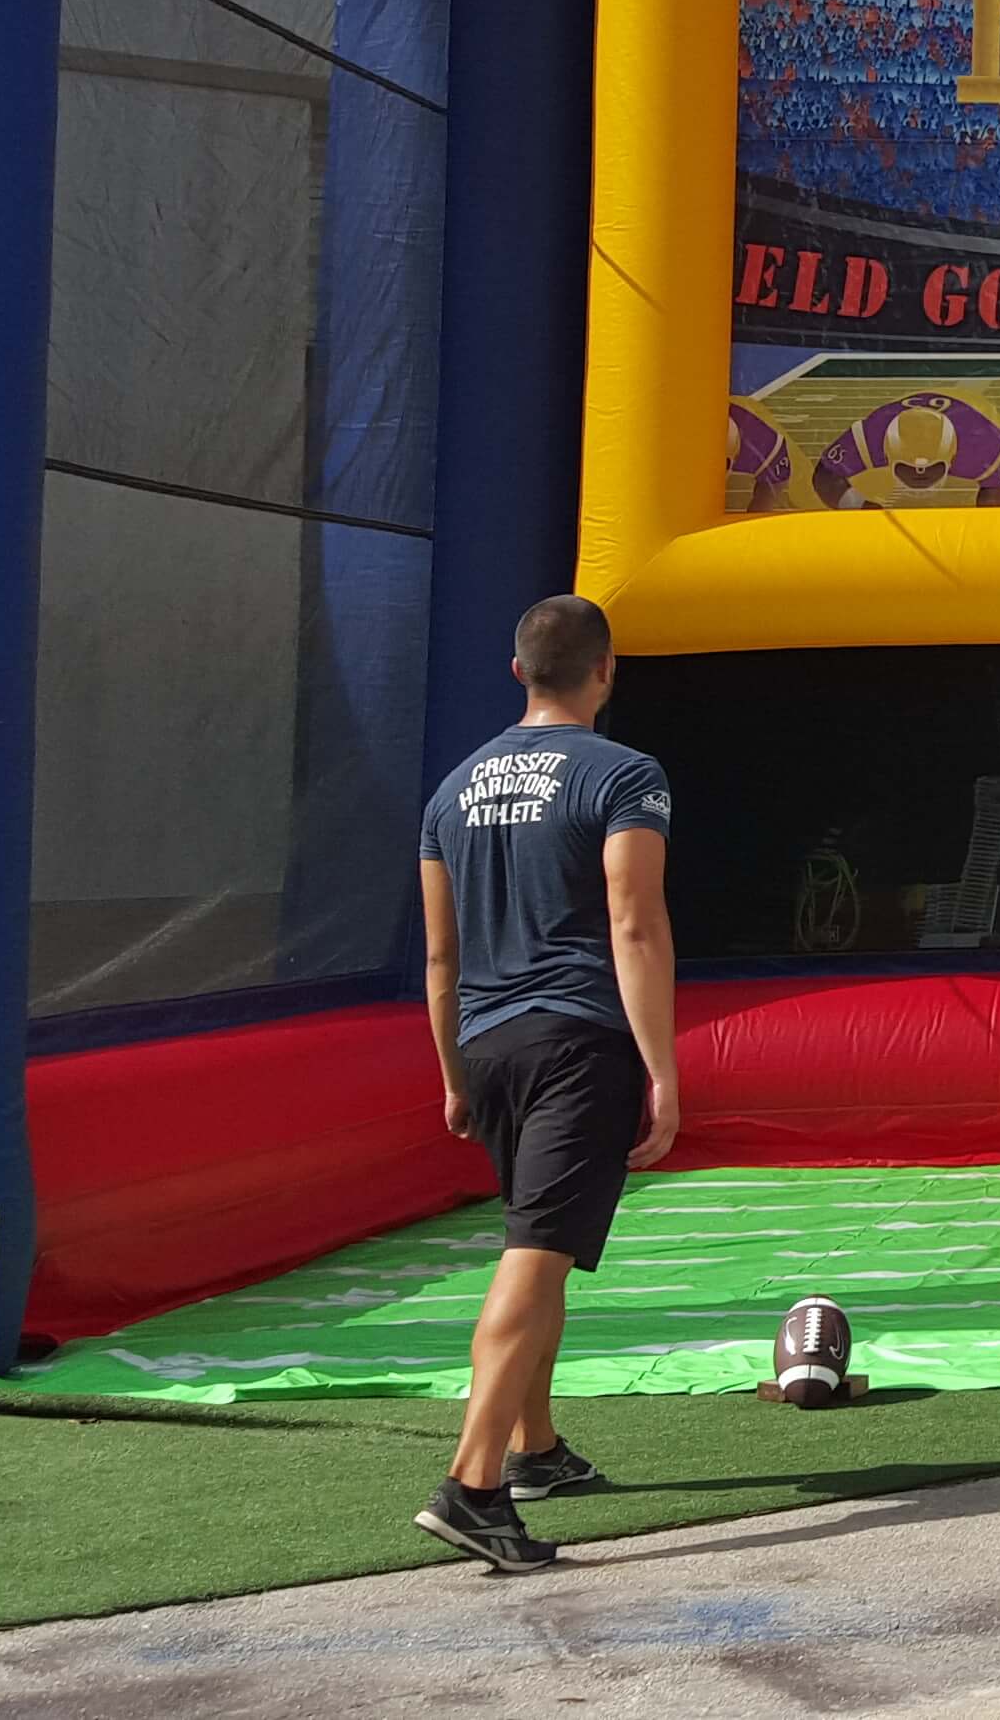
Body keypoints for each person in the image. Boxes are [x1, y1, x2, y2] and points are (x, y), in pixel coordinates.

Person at [410, 594, 681, 1574]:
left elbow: (440, 957)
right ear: (603, 673)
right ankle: (471, 1484)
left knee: (542, 1245)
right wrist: (661, 1067)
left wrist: (451, 1075)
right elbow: (634, 921)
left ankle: (535, 1452)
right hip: (576, 1040)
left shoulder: (452, 792)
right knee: (535, 1255)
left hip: (487, 1047)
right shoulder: (623, 774)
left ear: (516, 670)